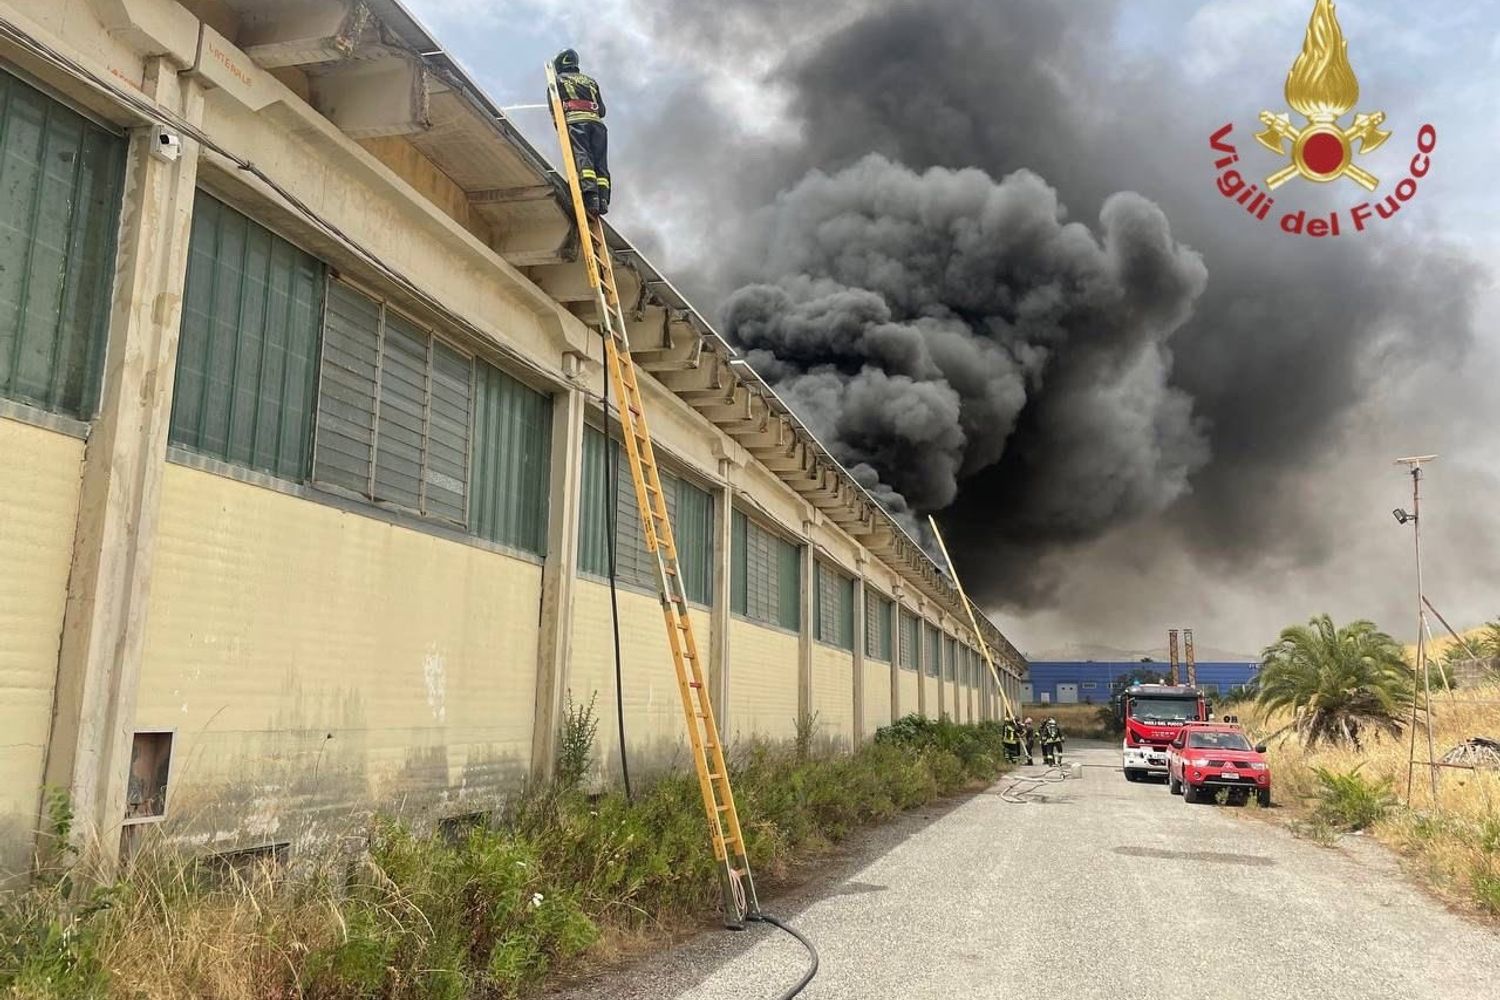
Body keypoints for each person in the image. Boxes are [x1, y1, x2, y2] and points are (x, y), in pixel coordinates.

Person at [552, 49, 609, 216]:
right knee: (600, 161)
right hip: (598, 125)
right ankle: (603, 199)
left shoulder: (558, 81)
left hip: (577, 122)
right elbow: (603, 110)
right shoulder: (591, 81)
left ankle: (590, 196)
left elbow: (554, 108)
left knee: (583, 156)